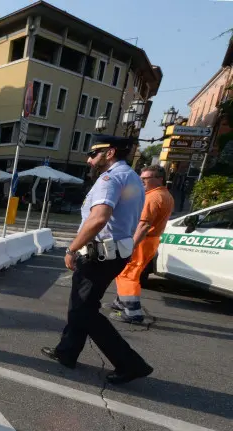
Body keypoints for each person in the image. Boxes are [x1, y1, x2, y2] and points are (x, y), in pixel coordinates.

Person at [41, 135, 153, 385]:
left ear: (110, 152)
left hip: (99, 255)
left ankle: (130, 363)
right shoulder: (131, 176)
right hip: (113, 253)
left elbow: (99, 218)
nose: (89, 159)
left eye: (94, 154)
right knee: (81, 305)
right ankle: (67, 352)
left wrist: (71, 249)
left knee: (84, 310)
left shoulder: (109, 178)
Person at [109, 165, 174, 323]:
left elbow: (144, 225)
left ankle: (132, 311)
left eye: (146, 178)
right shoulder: (165, 195)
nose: (142, 181)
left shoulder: (153, 198)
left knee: (127, 273)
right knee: (131, 272)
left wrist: (131, 246)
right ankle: (120, 302)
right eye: (141, 178)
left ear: (159, 179)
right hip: (150, 240)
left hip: (143, 240)